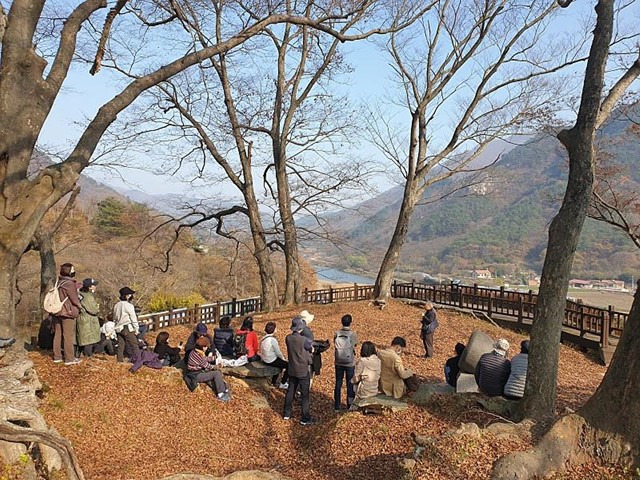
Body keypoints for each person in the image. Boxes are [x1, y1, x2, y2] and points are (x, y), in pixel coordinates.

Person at [283, 316, 315, 426]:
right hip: (302, 370)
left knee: (290, 391)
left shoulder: (288, 338)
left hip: (292, 368)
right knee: (305, 394)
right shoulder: (304, 340)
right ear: (301, 328)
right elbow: (311, 348)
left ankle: (286, 413)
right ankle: (305, 418)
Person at [52, 263, 82, 365]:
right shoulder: (69, 283)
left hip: (57, 311)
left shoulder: (59, 281)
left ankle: (57, 356)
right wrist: (79, 306)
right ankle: (69, 358)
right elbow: (74, 299)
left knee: (58, 334)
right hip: (67, 312)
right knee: (68, 336)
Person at [187, 336, 231, 402]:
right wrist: (217, 366)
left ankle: (224, 388)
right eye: (206, 347)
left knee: (215, 372)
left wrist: (214, 358)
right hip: (195, 375)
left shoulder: (195, 352)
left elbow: (204, 359)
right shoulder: (197, 355)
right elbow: (208, 366)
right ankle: (221, 394)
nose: (207, 348)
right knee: (216, 373)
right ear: (203, 347)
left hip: (197, 372)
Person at [334, 314, 358, 411]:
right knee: (350, 383)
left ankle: (337, 405)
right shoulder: (353, 334)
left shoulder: (337, 333)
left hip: (338, 361)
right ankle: (349, 404)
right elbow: (355, 345)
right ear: (350, 322)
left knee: (338, 383)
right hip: (349, 363)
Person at [113, 286, 140, 363]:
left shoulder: (116, 305)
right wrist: (136, 329)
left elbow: (114, 318)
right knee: (134, 345)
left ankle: (119, 361)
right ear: (127, 295)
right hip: (127, 327)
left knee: (120, 346)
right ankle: (138, 361)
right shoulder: (129, 306)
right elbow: (133, 318)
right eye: (130, 294)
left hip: (119, 328)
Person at [259, 322, 289, 389]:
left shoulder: (263, 338)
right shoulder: (272, 340)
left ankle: (274, 381)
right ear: (274, 329)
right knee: (289, 366)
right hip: (270, 360)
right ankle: (283, 383)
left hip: (264, 358)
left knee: (280, 364)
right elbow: (278, 352)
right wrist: (283, 359)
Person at [76, 278, 101, 357]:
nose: (95, 287)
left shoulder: (80, 294)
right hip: (88, 320)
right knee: (89, 339)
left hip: (82, 318)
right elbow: (93, 309)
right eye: (94, 285)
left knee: (82, 338)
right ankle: (88, 354)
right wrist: (97, 307)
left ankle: (80, 354)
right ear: (89, 287)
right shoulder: (88, 297)